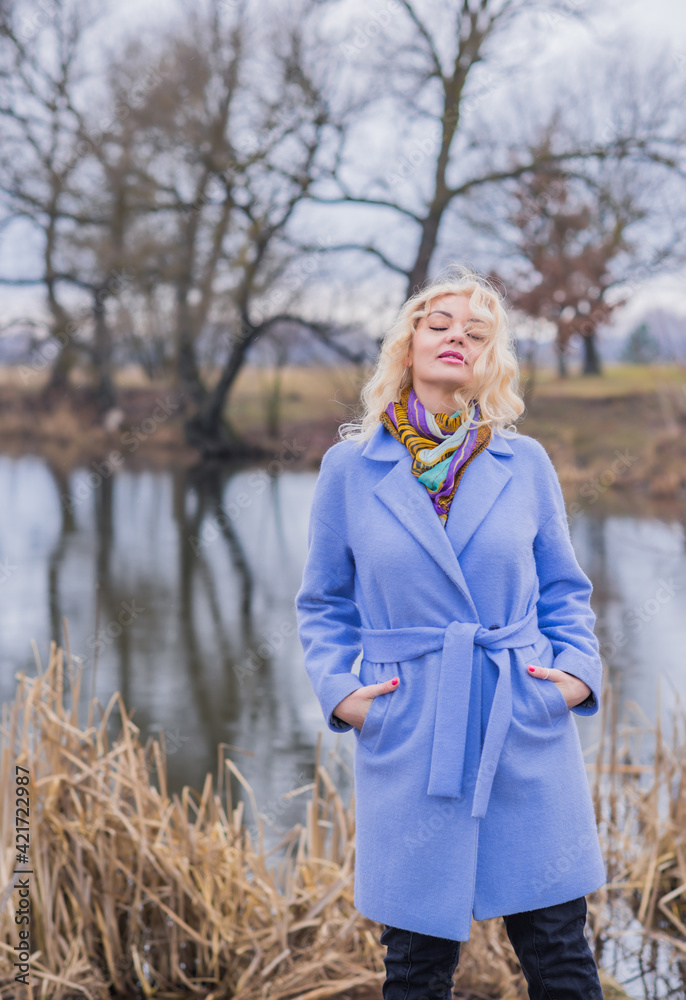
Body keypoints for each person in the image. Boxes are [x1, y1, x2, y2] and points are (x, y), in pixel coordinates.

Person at [294, 265, 606, 1000]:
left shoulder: (525, 464)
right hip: (412, 723)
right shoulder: (350, 468)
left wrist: (574, 677)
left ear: (491, 359)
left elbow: (565, 591)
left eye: (476, 332)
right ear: (407, 345)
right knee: (415, 966)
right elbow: (323, 604)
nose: (456, 338)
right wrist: (344, 694)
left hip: (520, 712)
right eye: (439, 325)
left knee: (559, 953)